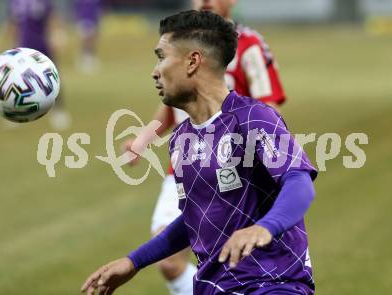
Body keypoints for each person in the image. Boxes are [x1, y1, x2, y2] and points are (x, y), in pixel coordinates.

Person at [82, 10, 317, 295]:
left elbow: (299, 182)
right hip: (213, 288)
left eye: (161, 57)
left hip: (272, 286)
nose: (155, 71)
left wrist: (265, 227)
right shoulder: (182, 140)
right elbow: (195, 219)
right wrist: (134, 262)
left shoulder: (254, 118)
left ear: (192, 61)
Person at [123, 1, 287, 294]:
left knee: (238, 264)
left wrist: (263, 153)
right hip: (186, 169)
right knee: (170, 262)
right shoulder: (177, 46)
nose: (206, 1)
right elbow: (169, 110)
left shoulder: (248, 45)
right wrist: (142, 140)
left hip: (233, 174)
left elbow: (267, 105)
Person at [7, 0, 71, 130]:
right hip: (22, 47)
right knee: (16, 81)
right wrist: (9, 43)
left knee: (52, 78)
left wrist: (56, 35)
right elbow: (14, 23)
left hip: (42, 46)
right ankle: (14, 113)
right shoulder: (14, 2)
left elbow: (52, 17)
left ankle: (58, 112)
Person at [72, 0, 102, 73]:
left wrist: (98, 22)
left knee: (91, 42)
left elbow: (99, 10)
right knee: (85, 41)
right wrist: (76, 20)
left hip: (93, 21)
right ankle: (84, 59)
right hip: (83, 21)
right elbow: (75, 9)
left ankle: (90, 58)